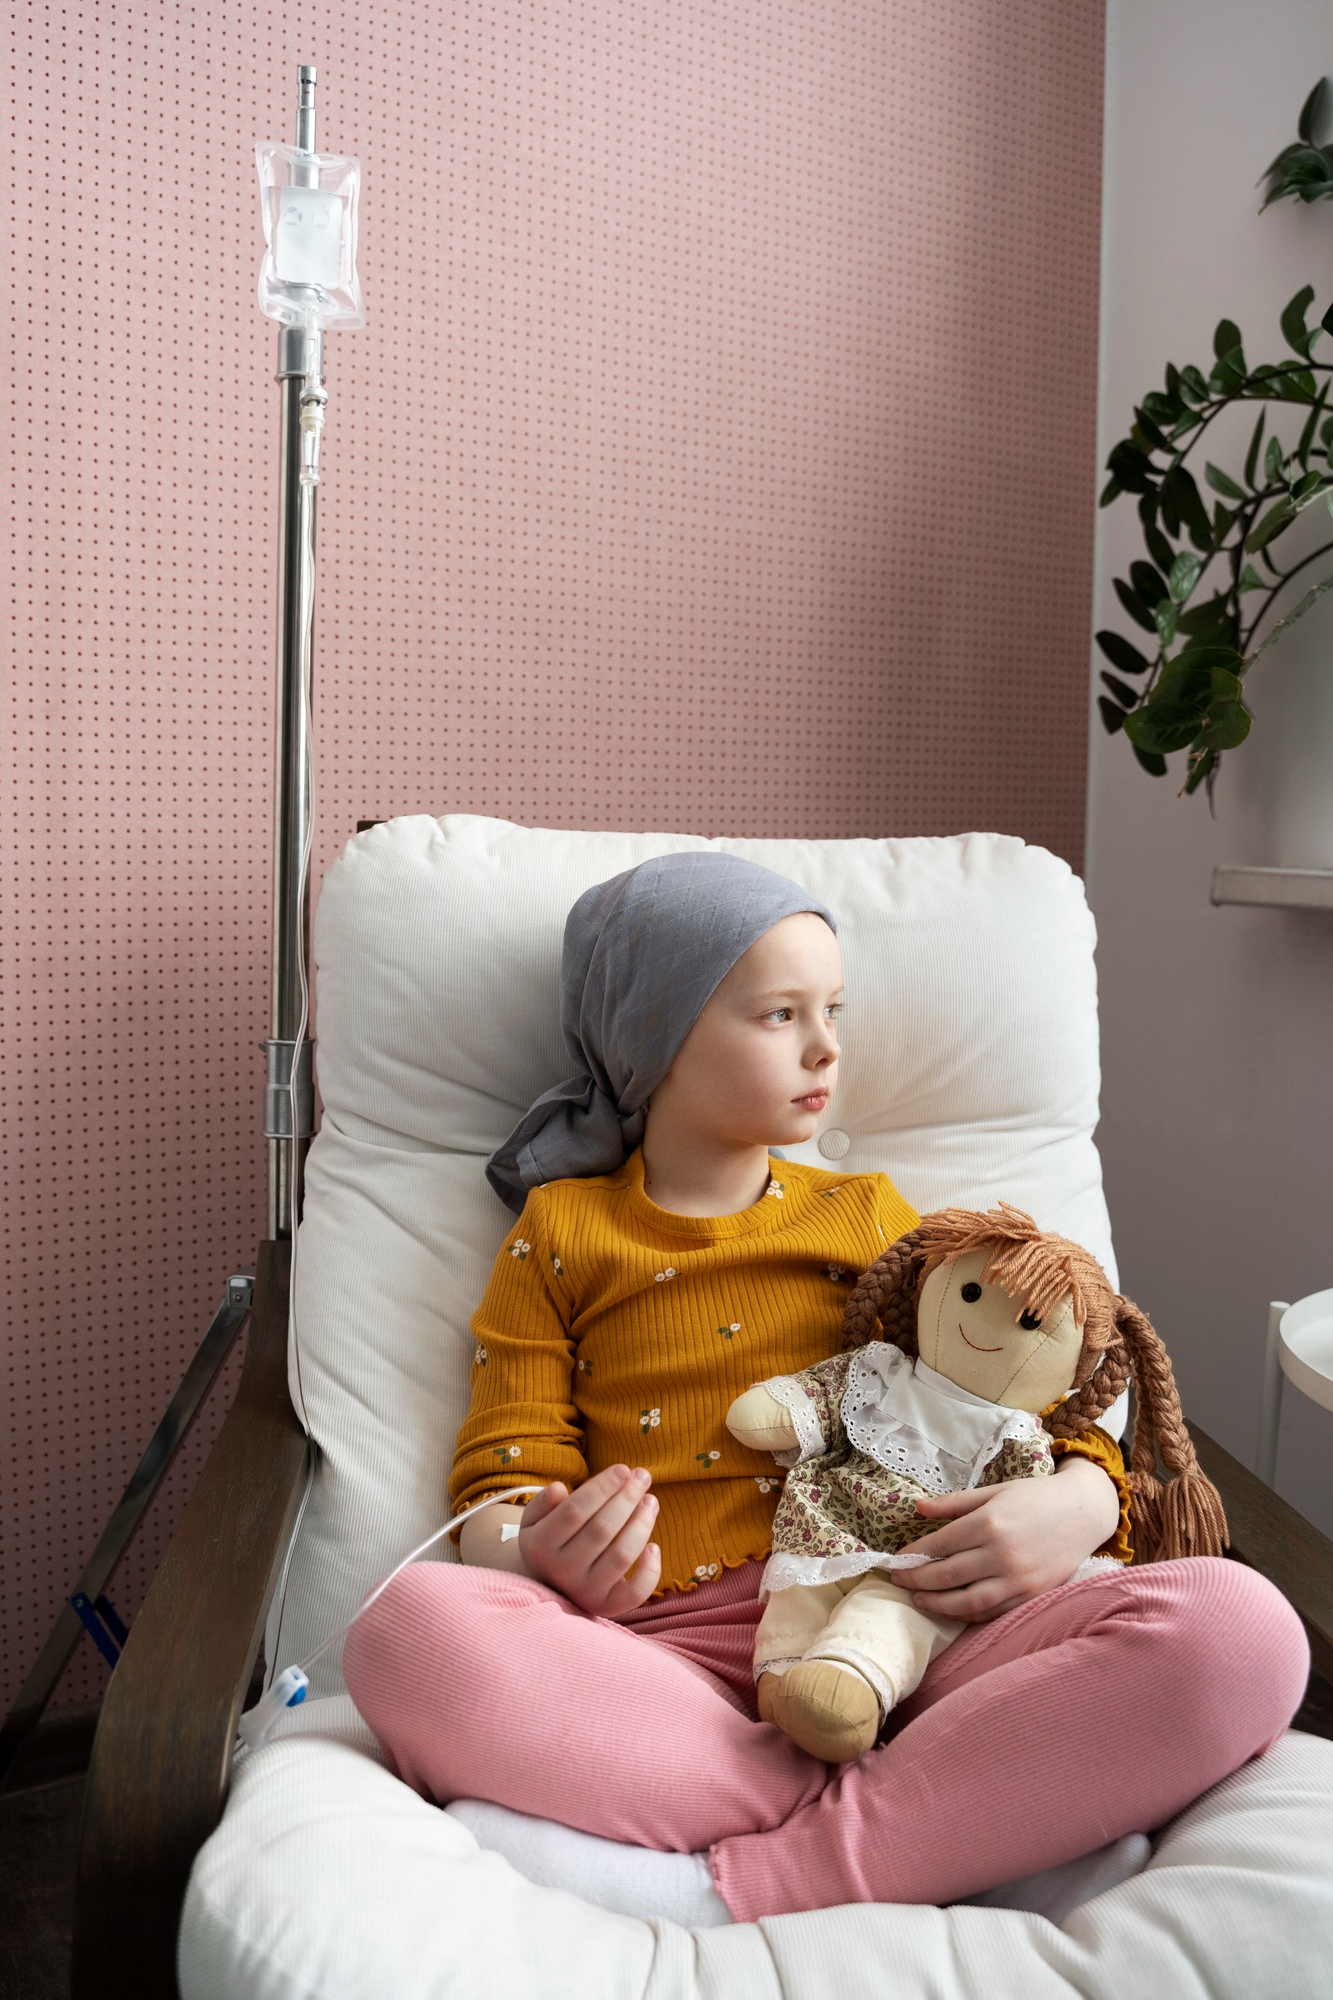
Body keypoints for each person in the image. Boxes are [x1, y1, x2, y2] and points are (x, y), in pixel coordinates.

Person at [344, 852, 1307, 1923]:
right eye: (778, 1014)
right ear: (654, 1039)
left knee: (1245, 1628)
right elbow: (502, 1473)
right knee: (403, 1630)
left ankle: (748, 1876)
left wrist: (1078, 1499)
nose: (827, 1045)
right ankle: (959, 1820)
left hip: (923, 1611)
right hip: (685, 1668)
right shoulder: (561, 1233)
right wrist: (536, 1548)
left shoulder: (869, 1213)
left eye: (832, 1008)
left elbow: (1021, 1381)